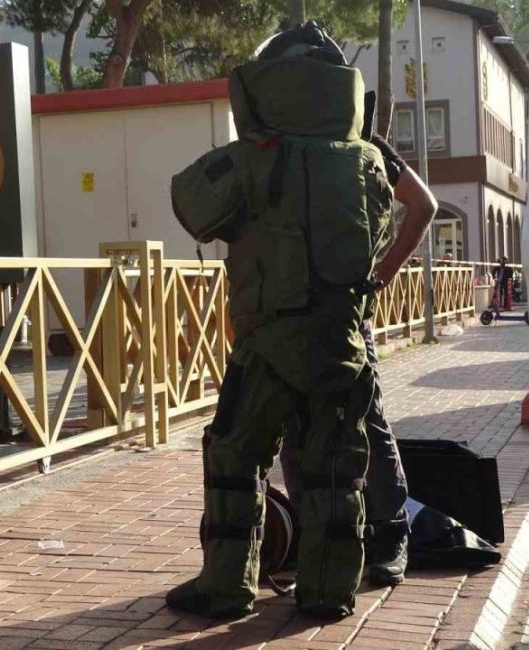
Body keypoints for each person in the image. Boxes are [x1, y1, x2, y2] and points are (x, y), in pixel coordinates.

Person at [165, 22, 395, 620]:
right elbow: (384, 235)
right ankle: (327, 593)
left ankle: (226, 586)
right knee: (335, 473)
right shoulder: (368, 161)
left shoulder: (252, 160)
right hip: (341, 343)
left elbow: (190, 205)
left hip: (266, 343)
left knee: (235, 461)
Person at [279, 133, 438, 587]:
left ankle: (385, 532)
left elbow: (423, 205)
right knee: (312, 422)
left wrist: (380, 276)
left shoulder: (354, 139)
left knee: (357, 419)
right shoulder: (297, 136)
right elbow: (422, 205)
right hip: (301, 310)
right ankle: (332, 538)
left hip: (324, 310)